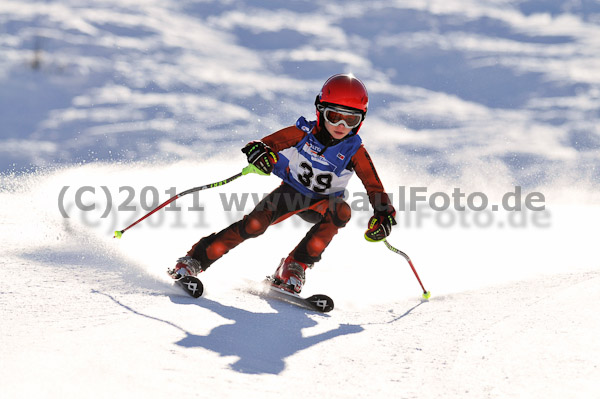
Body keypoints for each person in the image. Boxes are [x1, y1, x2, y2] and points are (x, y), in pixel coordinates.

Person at [168, 73, 396, 294]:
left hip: (323, 204)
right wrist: (259, 153)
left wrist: (384, 214)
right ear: (320, 112)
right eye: (334, 117)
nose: (342, 125)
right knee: (254, 225)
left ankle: (294, 267)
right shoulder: (303, 133)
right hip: (292, 193)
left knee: (342, 211)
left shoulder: (355, 150)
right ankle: (194, 260)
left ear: (360, 121)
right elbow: (263, 145)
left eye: (351, 119)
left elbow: (374, 187)